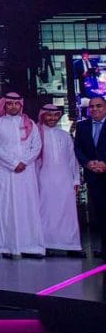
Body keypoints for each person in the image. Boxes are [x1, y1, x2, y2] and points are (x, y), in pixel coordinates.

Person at [0, 92, 44, 259]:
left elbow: (37, 146)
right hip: (5, 172)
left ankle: (32, 247)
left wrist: (24, 162)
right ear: (4, 105)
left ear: (21, 105)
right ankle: (7, 246)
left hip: (26, 172)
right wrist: (13, 163)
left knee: (28, 206)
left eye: (16, 104)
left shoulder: (30, 124)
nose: (13, 106)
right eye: (9, 104)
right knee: (6, 207)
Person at [36, 105, 83, 257]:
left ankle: (71, 245)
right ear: (43, 116)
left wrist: (75, 180)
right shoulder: (37, 134)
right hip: (44, 180)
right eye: (49, 115)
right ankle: (46, 244)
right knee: (46, 212)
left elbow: (72, 160)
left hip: (65, 180)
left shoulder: (64, 135)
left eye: (56, 115)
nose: (52, 118)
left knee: (68, 213)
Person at [74, 96, 106, 258]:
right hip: (93, 176)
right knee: (101, 214)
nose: (95, 109)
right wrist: (87, 163)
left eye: (99, 106)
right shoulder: (82, 126)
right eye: (92, 106)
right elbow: (77, 148)